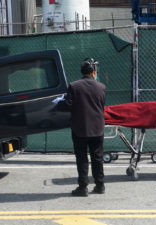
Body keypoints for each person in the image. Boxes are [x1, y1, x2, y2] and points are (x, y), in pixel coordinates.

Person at [56, 58, 106, 196]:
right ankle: (100, 185)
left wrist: (59, 103)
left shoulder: (74, 86)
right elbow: (101, 106)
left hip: (80, 127)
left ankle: (83, 187)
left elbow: (68, 105)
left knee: (82, 158)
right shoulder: (101, 87)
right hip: (97, 127)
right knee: (97, 157)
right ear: (93, 72)